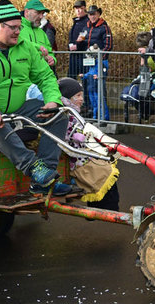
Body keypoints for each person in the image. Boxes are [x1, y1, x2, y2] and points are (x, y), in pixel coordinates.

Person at [0, 0, 71, 196]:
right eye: (13, 27)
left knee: (58, 114)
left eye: (19, 27)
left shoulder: (25, 48)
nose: (18, 32)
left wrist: (53, 101)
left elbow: (45, 76)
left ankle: (45, 177)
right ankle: (34, 168)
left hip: (13, 112)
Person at [58, 77, 119, 211]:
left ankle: (103, 207)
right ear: (67, 98)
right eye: (78, 96)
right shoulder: (64, 115)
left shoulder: (72, 113)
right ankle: (106, 209)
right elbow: (67, 134)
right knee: (104, 172)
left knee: (107, 167)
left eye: (81, 95)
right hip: (78, 158)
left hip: (82, 153)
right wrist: (79, 136)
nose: (82, 99)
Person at [83, 5, 113, 120]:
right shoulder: (86, 27)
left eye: (94, 14)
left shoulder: (104, 28)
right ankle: (95, 116)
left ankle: (103, 117)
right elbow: (83, 43)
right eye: (90, 14)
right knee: (91, 89)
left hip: (100, 62)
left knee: (99, 90)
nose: (92, 16)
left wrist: (99, 57)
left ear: (98, 14)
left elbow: (108, 45)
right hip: (89, 62)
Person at [21, 0, 56, 67]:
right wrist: (38, 47)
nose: (41, 16)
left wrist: (52, 59)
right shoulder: (17, 29)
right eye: (37, 12)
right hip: (24, 71)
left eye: (42, 13)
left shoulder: (42, 33)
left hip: (42, 72)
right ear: (26, 12)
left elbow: (49, 51)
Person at [67, 0, 91, 78]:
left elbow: (86, 36)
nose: (78, 11)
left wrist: (77, 46)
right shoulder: (75, 22)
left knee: (85, 77)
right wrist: (70, 45)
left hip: (84, 54)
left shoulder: (88, 22)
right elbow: (72, 37)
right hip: (74, 54)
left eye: (80, 8)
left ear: (85, 9)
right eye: (76, 9)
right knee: (71, 78)